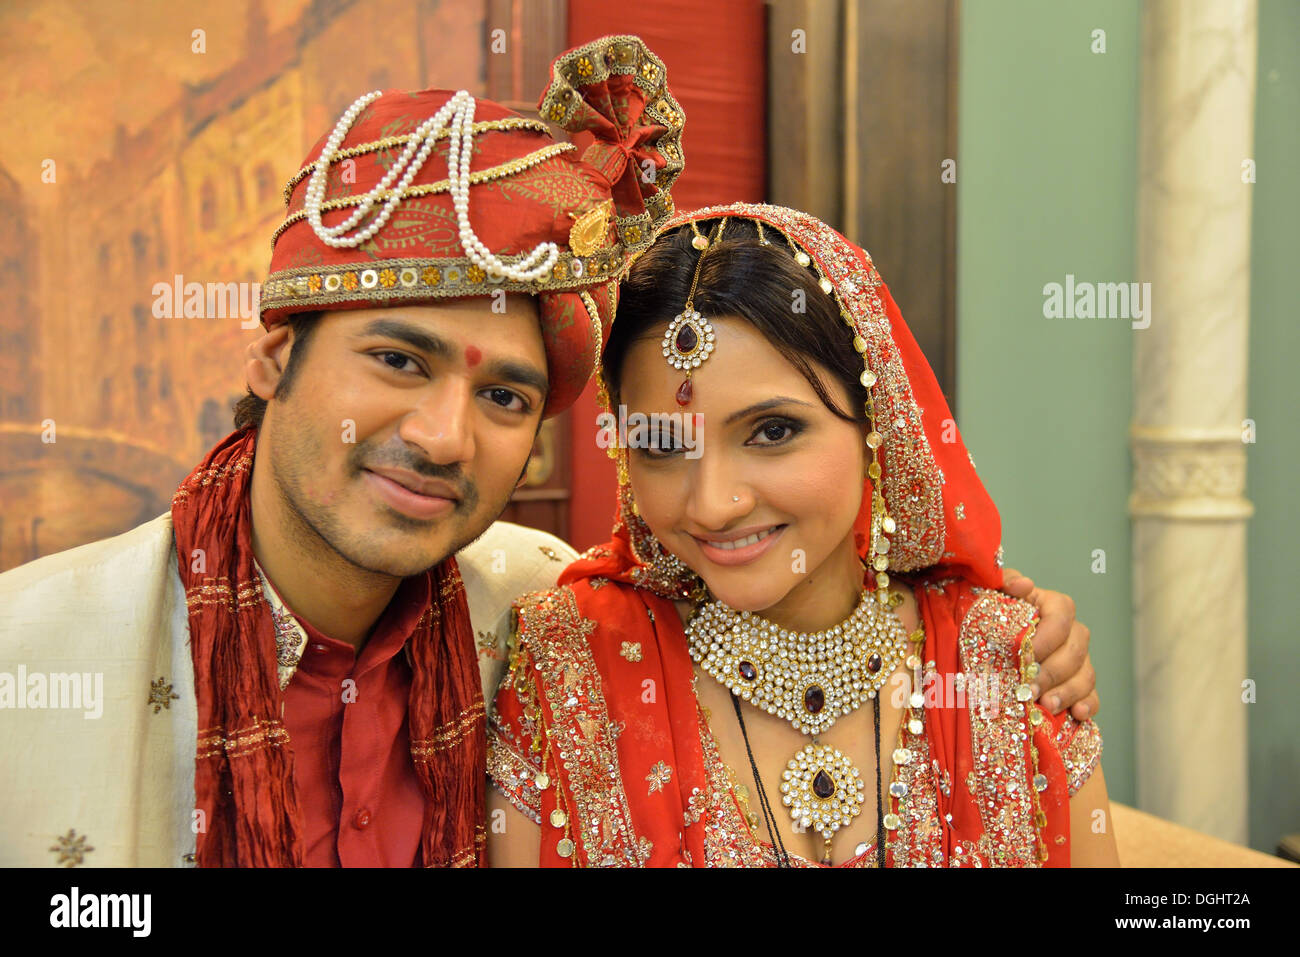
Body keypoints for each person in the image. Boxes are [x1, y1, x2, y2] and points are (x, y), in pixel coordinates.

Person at [0, 35, 689, 868]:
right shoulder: (36, 653)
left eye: (505, 397)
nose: (443, 437)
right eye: (398, 361)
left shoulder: (545, 617)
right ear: (273, 357)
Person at [487, 203, 1119, 867]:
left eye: (772, 432)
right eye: (662, 444)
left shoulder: (1007, 663)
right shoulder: (570, 663)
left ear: (875, 421)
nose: (713, 504)